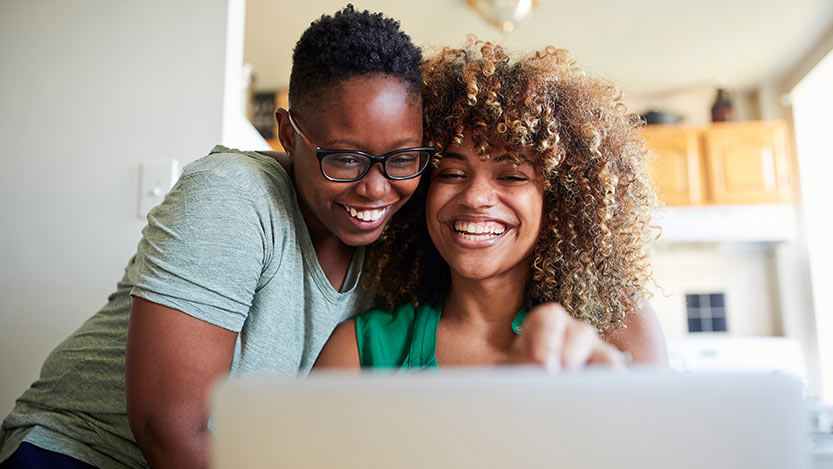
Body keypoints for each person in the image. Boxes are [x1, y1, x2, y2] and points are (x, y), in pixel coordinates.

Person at [0, 5, 433, 468]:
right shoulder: (233, 195)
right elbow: (167, 430)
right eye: (345, 159)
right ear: (288, 134)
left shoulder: (396, 243)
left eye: (403, 158)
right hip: (80, 451)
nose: (375, 187)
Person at [315, 38, 668, 371]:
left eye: (512, 176)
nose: (474, 197)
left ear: (559, 199)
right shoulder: (359, 352)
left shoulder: (619, 327)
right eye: (451, 173)